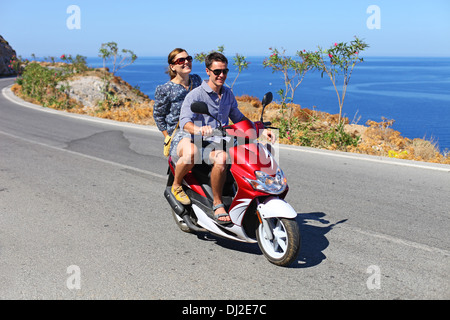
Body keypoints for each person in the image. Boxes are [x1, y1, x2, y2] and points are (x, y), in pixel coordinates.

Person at [175, 52, 274, 224]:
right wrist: (198, 129)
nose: (221, 75)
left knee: (257, 150)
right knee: (222, 158)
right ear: (208, 71)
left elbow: (238, 117)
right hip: (199, 140)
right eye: (217, 72)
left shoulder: (227, 93)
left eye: (225, 71)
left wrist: (260, 129)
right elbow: (184, 122)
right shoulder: (196, 95)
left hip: (222, 139)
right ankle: (217, 203)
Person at [153, 48, 201, 204]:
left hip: (199, 128)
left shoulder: (197, 80)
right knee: (191, 153)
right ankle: (176, 185)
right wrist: (167, 137)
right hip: (180, 133)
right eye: (181, 60)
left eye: (188, 58)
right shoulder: (165, 89)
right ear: (172, 66)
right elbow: (158, 115)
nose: (186, 62)